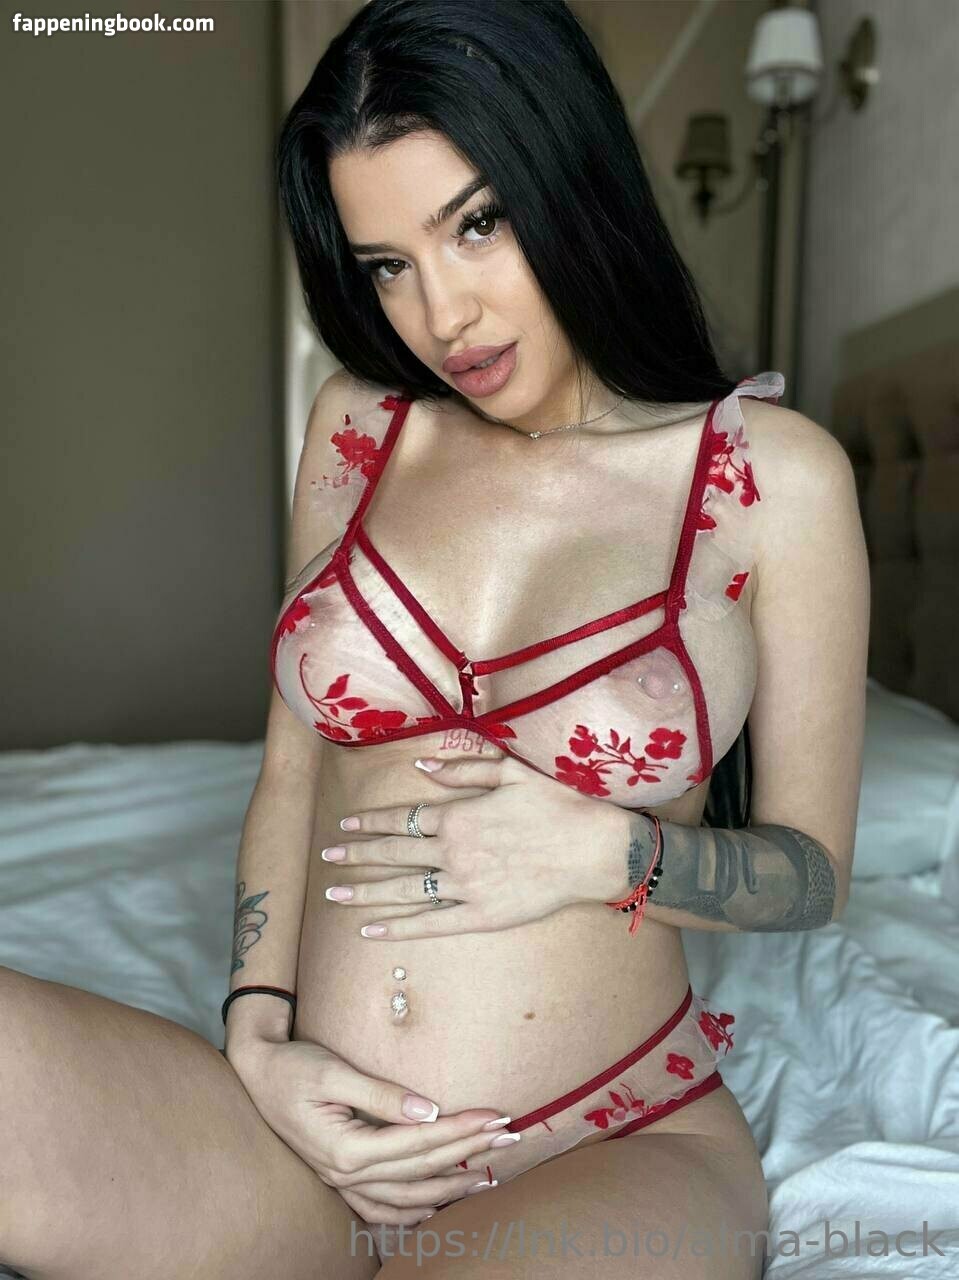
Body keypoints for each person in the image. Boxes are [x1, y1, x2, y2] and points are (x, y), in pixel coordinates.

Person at [0, 2, 869, 1277]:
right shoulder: (360, 428)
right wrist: (257, 1031)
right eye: (385, 265)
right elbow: (292, 769)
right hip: (307, 1145)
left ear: (568, 179)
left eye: (475, 224)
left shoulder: (770, 477)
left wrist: (611, 851)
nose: (441, 313)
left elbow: (810, 872)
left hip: (602, 1137)